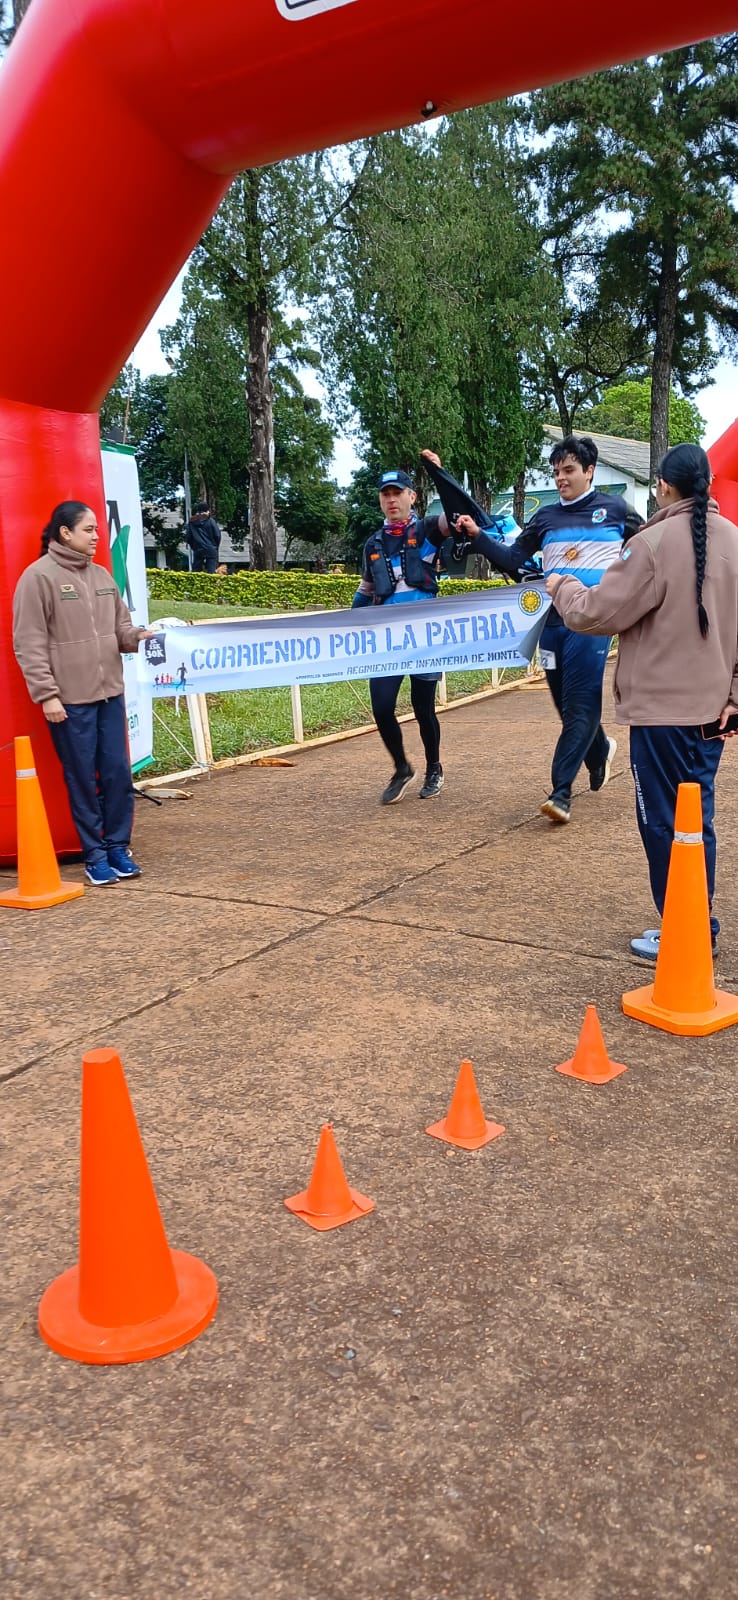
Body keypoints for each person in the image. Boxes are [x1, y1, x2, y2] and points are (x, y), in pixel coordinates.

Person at [545, 443, 738, 959]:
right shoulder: (735, 541)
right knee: (697, 820)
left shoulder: (650, 543)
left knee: (663, 822)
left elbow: (596, 615)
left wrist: (560, 585)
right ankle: (698, 923)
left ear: (665, 486)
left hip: (661, 714)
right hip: (714, 711)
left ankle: (684, 929)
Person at [453, 435, 627, 825]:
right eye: (556, 472)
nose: (561, 478)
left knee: (580, 705)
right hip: (550, 624)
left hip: (593, 623)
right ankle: (599, 752)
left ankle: (561, 792)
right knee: (567, 709)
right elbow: (515, 560)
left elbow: (647, 553)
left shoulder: (615, 510)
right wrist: (479, 539)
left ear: (589, 471)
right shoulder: (545, 518)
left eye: (568, 471)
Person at [12, 501, 154, 887]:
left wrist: (139, 636)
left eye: (96, 529)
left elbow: (120, 629)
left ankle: (118, 848)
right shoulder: (37, 578)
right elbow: (28, 643)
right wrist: (48, 695)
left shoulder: (103, 576)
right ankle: (95, 855)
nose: (96, 536)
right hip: (69, 700)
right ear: (65, 533)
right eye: (89, 529)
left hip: (110, 694)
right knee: (81, 778)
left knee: (117, 774)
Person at [352, 464, 450, 803]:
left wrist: (440, 472)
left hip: (424, 637)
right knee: (381, 707)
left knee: (423, 707)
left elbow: (456, 515)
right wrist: (343, 628)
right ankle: (401, 767)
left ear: (412, 496)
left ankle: (434, 767)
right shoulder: (373, 543)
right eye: (386, 494)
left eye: (398, 493)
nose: (392, 500)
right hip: (387, 640)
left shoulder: (428, 531)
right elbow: (365, 592)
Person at [184, 502, 221, 572]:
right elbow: (217, 535)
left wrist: (194, 546)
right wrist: (215, 546)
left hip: (198, 548)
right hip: (211, 549)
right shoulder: (211, 521)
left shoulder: (192, 522)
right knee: (211, 571)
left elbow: (188, 537)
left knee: (196, 571)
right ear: (207, 511)